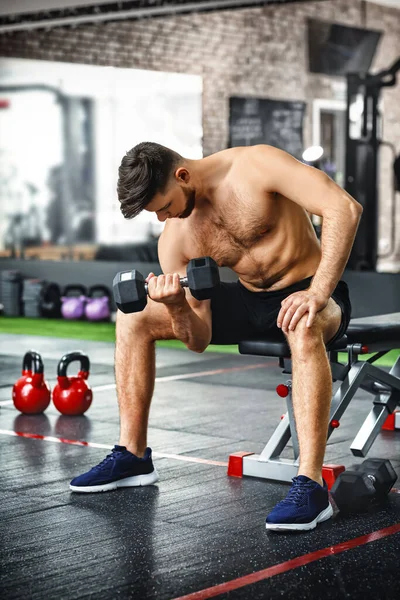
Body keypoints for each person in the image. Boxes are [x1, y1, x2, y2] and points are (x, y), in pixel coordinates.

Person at [70, 142, 362, 532]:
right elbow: (199, 338)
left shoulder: (256, 165)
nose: (161, 218)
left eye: (162, 206)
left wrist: (318, 292)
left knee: (302, 323)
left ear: (183, 175)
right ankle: (133, 455)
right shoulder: (175, 239)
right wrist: (176, 306)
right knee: (134, 319)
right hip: (247, 300)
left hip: (310, 290)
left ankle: (310, 485)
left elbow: (344, 208)